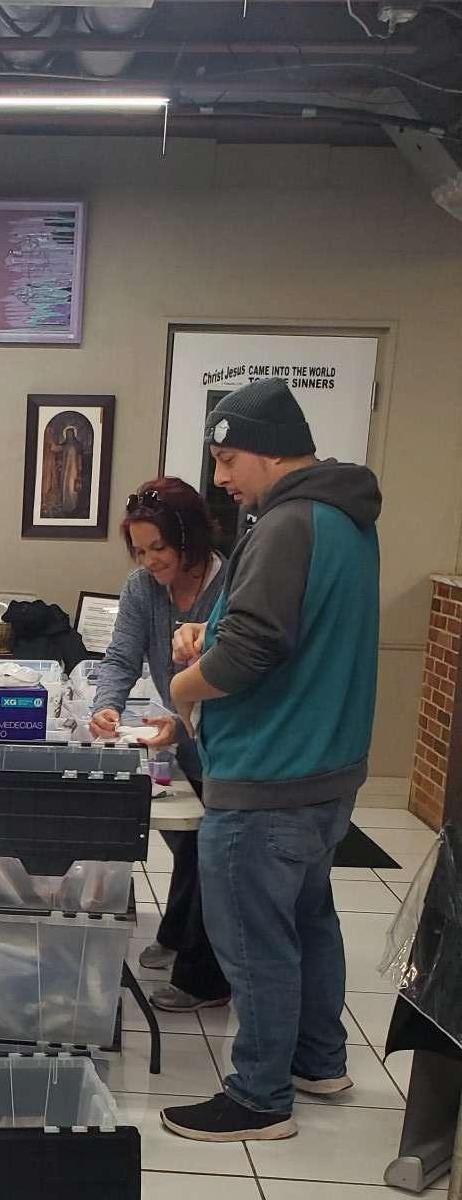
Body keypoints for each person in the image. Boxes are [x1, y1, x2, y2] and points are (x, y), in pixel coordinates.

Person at [163, 377, 381, 1143]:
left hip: (270, 769)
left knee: (256, 939)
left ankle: (260, 1097)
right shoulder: (345, 518)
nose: (220, 478)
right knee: (308, 919)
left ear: (267, 450)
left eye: (227, 460)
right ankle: (319, 1061)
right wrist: (212, 633)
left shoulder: (288, 523)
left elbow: (254, 650)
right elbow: (292, 628)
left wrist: (183, 687)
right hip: (326, 768)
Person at [89, 477, 229, 1014]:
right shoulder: (141, 588)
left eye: (160, 548)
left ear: (189, 538)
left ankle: (203, 977)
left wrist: (182, 717)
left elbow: (236, 674)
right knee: (188, 843)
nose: (150, 561)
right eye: (140, 551)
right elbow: (121, 657)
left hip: (226, 739)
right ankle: (175, 934)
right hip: (181, 734)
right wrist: (107, 706)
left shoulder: (231, 583)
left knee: (213, 850)